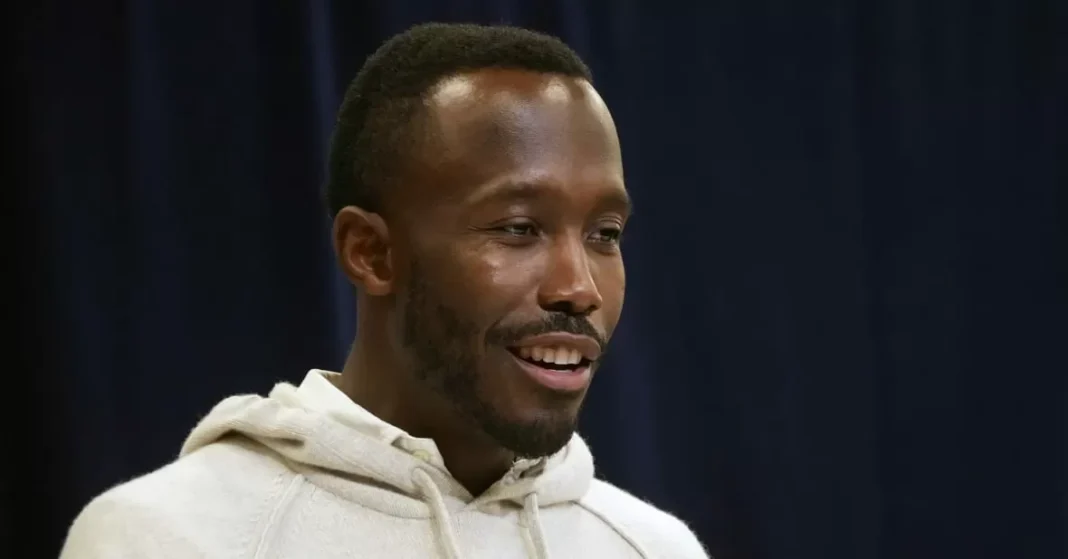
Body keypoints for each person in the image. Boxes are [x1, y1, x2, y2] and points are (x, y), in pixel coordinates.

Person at [60, 22, 708, 558]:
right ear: (370, 252)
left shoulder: (655, 547)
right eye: (518, 228)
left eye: (604, 234)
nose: (579, 287)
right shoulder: (162, 538)